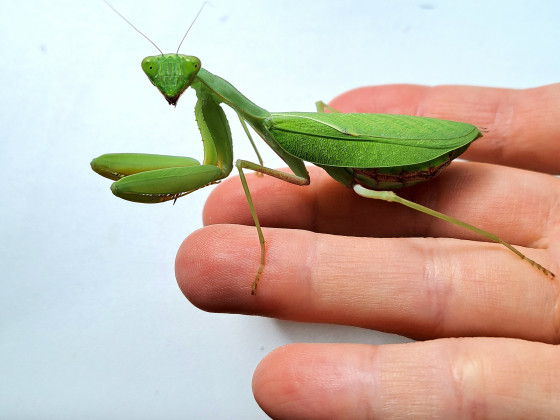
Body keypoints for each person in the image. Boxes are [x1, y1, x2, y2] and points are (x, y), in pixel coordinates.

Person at [175, 83, 560, 419]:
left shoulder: (277, 125)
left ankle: (507, 245)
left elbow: (237, 168)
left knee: (382, 194)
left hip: (401, 155)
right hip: (360, 150)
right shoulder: (268, 123)